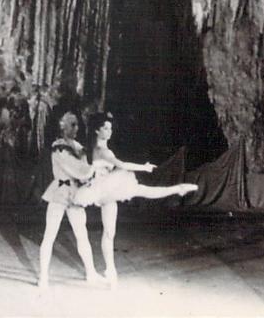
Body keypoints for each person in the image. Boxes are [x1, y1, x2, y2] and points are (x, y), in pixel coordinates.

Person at [73, 112, 198, 285]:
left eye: (110, 128)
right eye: (106, 128)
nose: (110, 131)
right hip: (104, 187)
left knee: (110, 232)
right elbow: (122, 165)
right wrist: (144, 167)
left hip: (107, 190)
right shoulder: (102, 151)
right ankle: (178, 189)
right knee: (142, 190)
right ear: (97, 131)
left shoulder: (96, 148)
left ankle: (110, 270)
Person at [37, 110, 103, 288]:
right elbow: (76, 169)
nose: (76, 128)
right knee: (50, 235)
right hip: (60, 192)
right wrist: (93, 169)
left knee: (82, 234)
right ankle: (43, 277)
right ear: (62, 126)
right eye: (72, 125)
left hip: (74, 193)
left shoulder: (78, 146)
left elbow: (84, 170)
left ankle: (91, 273)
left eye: (77, 125)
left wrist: (93, 171)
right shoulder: (58, 147)